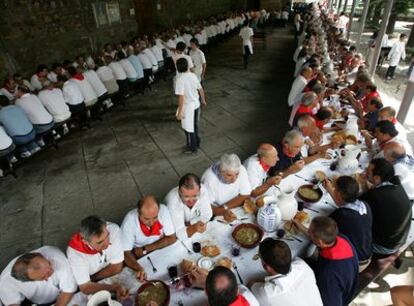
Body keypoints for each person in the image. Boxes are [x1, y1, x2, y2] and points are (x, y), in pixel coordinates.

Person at [295, 216, 358, 306]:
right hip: (348, 281)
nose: (308, 232)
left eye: (309, 231)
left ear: (320, 242)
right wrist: (301, 227)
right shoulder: (341, 238)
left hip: (336, 296)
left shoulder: (328, 274)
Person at [66, 216, 128, 300]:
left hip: (94, 278)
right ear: (85, 241)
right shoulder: (75, 253)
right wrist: (114, 288)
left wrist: (91, 279)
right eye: (100, 242)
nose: (107, 243)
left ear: (106, 227)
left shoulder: (113, 229)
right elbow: (85, 287)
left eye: (107, 236)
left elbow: (117, 267)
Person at [359, 158, 412, 256]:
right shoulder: (396, 183)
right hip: (399, 238)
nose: (365, 172)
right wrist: (364, 184)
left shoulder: (376, 196)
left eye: (368, 172)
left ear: (377, 178)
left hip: (385, 246)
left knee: (349, 223)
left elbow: (356, 205)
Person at [250, 238, 323, 306]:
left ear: (267, 267)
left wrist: (261, 281)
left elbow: (251, 284)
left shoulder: (268, 293)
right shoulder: (302, 265)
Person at [0, 246, 82, 306]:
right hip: (36, 301)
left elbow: (68, 290)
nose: (47, 278)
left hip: (62, 294)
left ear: (39, 255)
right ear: (28, 281)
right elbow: (12, 304)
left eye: (49, 265)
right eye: (42, 278)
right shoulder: (5, 282)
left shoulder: (56, 256)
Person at [121, 195, 176, 281]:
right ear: (138, 213)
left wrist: (146, 248)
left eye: (155, 217)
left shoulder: (163, 210)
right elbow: (125, 253)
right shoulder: (129, 221)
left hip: (153, 249)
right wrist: (138, 268)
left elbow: (172, 238)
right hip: (140, 255)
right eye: (147, 219)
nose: (152, 223)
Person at [324, 176, 373, 271]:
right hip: (367, 255)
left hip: (354, 263)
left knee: (314, 248)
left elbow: (321, 232)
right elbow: (342, 203)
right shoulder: (364, 205)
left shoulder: (342, 214)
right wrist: (330, 189)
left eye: (335, 188)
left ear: (338, 193)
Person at [201, 153, 252, 220]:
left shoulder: (240, 169)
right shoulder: (209, 179)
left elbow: (246, 195)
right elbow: (206, 207)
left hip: (228, 207)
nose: (234, 179)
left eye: (237, 174)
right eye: (229, 175)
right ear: (221, 172)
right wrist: (222, 211)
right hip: (217, 212)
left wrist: (225, 207)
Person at [165, 173, 212, 241]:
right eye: (186, 196)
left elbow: (208, 215)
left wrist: (189, 223)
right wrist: (194, 227)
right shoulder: (173, 203)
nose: (191, 201)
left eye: (195, 196)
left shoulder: (203, 191)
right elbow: (179, 234)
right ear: (179, 192)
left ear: (200, 190)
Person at [175, 57, 206, 154]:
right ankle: (196, 142)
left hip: (188, 107)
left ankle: (192, 148)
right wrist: (203, 100)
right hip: (196, 105)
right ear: (187, 66)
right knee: (194, 126)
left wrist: (179, 112)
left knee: (188, 128)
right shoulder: (193, 76)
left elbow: (181, 98)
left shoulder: (180, 80)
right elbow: (200, 89)